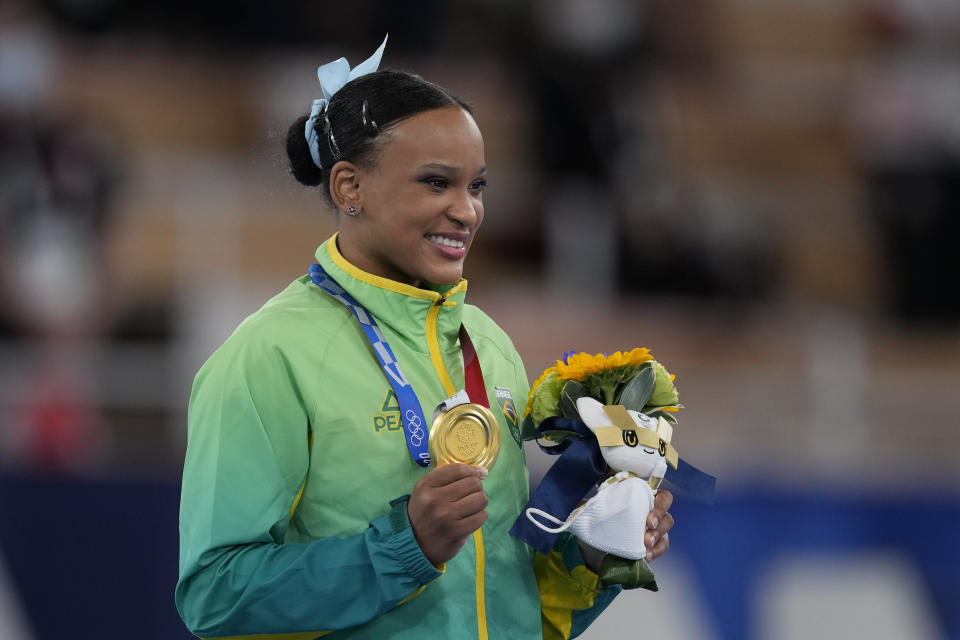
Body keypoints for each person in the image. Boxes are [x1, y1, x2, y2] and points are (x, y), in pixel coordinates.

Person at [175, 39, 675, 640]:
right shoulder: (270, 356)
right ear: (348, 188)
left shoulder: (488, 345)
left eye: (478, 187)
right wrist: (404, 549)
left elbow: (509, 607)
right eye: (437, 183)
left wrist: (594, 554)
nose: (467, 211)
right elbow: (215, 595)